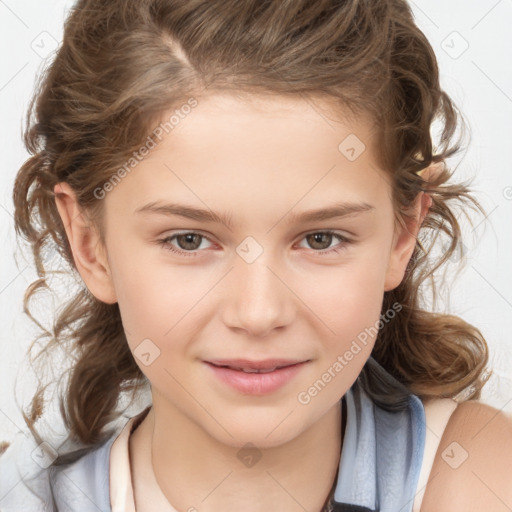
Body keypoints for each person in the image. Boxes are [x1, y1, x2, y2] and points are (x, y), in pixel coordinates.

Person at [1, 0, 511, 511]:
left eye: (321, 239)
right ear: (90, 245)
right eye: (189, 240)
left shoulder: (477, 478)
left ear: (403, 234)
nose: (259, 313)